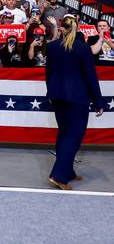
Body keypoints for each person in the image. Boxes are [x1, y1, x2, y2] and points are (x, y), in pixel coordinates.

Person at [45, 16, 104, 190]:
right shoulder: (83, 49)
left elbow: (48, 74)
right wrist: (98, 101)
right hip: (77, 98)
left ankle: (68, 171)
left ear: (62, 28)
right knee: (73, 136)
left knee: (64, 133)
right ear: (77, 29)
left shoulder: (53, 47)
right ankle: (59, 175)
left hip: (57, 96)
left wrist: (51, 92)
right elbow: (90, 77)